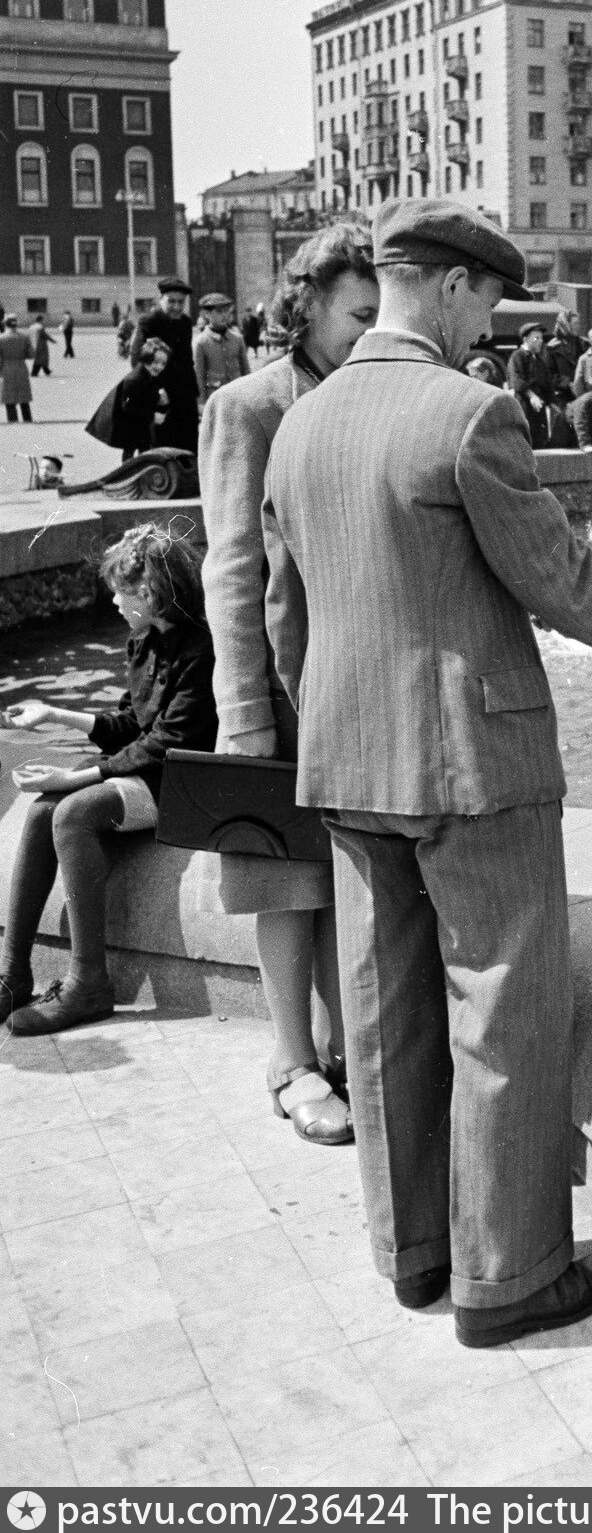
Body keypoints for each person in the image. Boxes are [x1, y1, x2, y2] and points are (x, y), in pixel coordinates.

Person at [261, 199, 592, 1342]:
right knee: (503, 1009)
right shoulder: (467, 412)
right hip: (471, 766)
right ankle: (509, 1277)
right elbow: (559, 578)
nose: (487, 324)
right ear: (449, 287)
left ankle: (412, 1253)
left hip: (350, 763)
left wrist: (336, 727)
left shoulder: (300, 421)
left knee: (385, 1012)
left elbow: (282, 615)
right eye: (488, 299)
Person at [198, 221, 379, 1146]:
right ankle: (289, 1059)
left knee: (342, 877)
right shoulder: (247, 404)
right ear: (304, 302)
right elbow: (230, 567)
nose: (370, 327)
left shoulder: (364, 393)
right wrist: (242, 715)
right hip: (276, 688)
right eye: (357, 312)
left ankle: (342, 1046)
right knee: (283, 879)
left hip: (350, 683)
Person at [0, 525, 217, 1034]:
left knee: (73, 811)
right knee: (41, 810)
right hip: (148, 776)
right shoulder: (143, 642)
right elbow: (129, 723)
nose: (114, 601)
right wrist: (57, 713)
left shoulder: (201, 650)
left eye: (121, 591)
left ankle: (88, 984)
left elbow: (167, 743)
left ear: (149, 593)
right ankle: (13, 975)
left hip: (181, 786)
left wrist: (76, 778)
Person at [130, 278, 199, 451]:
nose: (177, 306)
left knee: (188, 441)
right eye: (171, 301)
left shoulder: (185, 323)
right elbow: (137, 358)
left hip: (183, 393)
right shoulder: (148, 321)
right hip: (158, 393)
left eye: (181, 302)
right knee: (160, 442)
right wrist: (154, 390)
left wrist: (194, 393)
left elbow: (187, 360)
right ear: (161, 299)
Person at [85, 338, 171, 459]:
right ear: (146, 358)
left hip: (140, 422)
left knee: (142, 450)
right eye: (155, 362)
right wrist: (153, 416)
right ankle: (131, 472)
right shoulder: (134, 379)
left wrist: (161, 400)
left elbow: (150, 395)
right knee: (132, 451)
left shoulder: (150, 374)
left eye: (163, 363)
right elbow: (129, 407)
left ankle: (139, 471)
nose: (159, 367)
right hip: (130, 423)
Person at [193, 292, 250, 410]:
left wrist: (250, 393)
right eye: (219, 311)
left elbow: (246, 370)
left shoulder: (237, 339)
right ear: (206, 314)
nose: (224, 315)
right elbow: (199, 375)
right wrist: (201, 402)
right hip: (215, 397)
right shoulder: (201, 342)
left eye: (226, 311)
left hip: (237, 394)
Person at [506, 322, 554, 448]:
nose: (540, 341)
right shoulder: (517, 356)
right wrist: (532, 396)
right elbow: (516, 380)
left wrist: (551, 401)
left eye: (541, 338)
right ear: (525, 339)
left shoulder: (539, 360)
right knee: (526, 437)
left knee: (539, 439)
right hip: (524, 403)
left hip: (539, 405)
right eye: (536, 338)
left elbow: (546, 382)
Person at [1, 313, 34, 423]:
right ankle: (27, 419)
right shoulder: (24, 336)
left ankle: (12, 420)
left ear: (5, 324)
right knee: (23, 396)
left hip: (7, 368)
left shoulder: (1, 338)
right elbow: (31, 354)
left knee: (9, 397)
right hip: (21, 366)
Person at [546, 308, 585, 395]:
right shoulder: (552, 348)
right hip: (562, 394)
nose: (578, 326)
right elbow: (548, 375)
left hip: (581, 392)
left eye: (579, 323)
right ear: (565, 325)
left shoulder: (582, 344)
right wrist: (567, 383)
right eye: (575, 324)